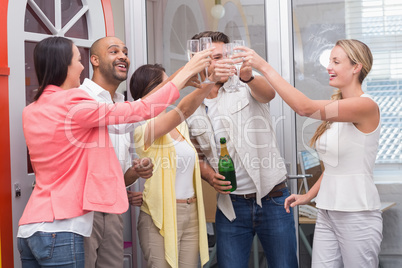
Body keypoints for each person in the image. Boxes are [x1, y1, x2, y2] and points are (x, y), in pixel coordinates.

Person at [16, 36, 212, 267]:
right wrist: (188, 69)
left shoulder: (32, 109)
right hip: (63, 227)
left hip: (30, 229)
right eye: (78, 60)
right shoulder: (74, 100)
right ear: (63, 64)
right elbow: (136, 113)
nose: (81, 67)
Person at [236, 39, 383, 267]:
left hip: (357, 212)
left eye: (336, 61)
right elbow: (335, 167)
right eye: (329, 61)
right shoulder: (340, 111)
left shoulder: (366, 106)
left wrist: (263, 66)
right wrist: (309, 195)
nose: (329, 67)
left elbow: (303, 107)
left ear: (356, 67)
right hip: (327, 210)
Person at [186, 31, 298, 268]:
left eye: (225, 56)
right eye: (215, 57)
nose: (223, 62)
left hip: (274, 200)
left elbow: (268, 94)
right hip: (230, 207)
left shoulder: (245, 83)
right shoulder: (193, 104)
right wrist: (208, 175)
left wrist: (248, 77)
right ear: (199, 60)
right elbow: (195, 153)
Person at [131, 62, 233, 268]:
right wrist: (209, 79)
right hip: (162, 216)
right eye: (168, 82)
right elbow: (185, 109)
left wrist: (212, 177)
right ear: (153, 89)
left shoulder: (181, 127)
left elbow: (191, 162)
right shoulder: (143, 126)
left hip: (191, 212)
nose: (174, 87)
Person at [78, 36, 154, 268]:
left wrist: (134, 171)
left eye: (125, 52)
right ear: (95, 60)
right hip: (83, 210)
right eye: (114, 51)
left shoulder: (120, 103)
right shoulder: (80, 98)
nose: (123, 56)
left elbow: (118, 178)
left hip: (112, 210)